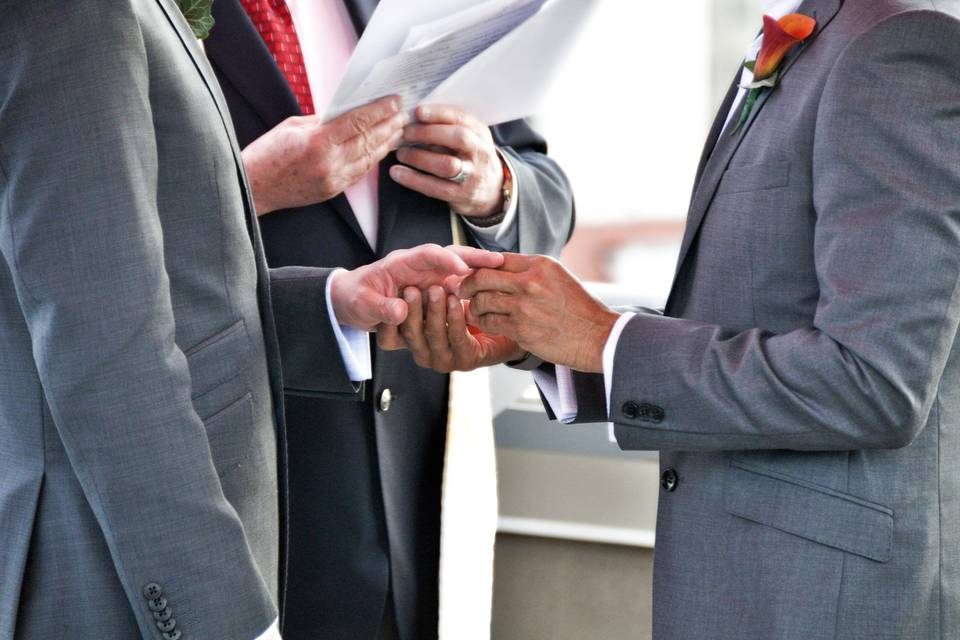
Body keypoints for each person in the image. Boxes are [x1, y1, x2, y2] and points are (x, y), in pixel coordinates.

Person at [383, 1, 960, 638]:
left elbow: (873, 384)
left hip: (822, 606)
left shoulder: (896, 46)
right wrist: (546, 340)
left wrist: (603, 338)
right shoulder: (810, 34)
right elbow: (748, 313)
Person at [0, 2, 502, 639]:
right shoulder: (74, 16)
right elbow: (109, 363)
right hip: (110, 573)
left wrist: (330, 304)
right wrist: (229, 623)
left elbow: (125, 290)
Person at [203, 2, 575, 638]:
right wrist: (251, 185)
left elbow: (550, 198)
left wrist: (494, 186)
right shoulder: (126, 19)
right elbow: (76, 241)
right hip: (241, 485)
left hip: (421, 484)